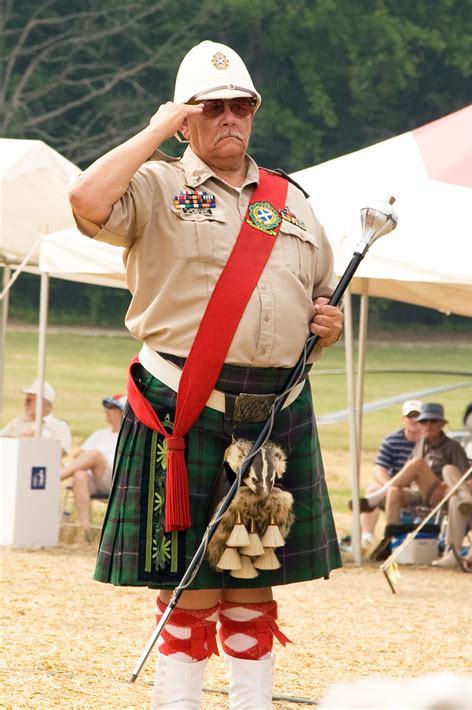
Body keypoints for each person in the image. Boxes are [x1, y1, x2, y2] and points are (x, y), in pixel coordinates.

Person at [69, 39, 343, 708]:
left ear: (254, 111)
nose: (229, 118)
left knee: (252, 590)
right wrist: (159, 127)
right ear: (188, 117)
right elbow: (84, 199)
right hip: (185, 409)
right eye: (211, 107)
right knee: (189, 595)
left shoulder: (292, 200)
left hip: (274, 418)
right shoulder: (155, 184)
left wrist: (329, 327)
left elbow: (320, 300)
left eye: (240, 106)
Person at [351, 403, 470, 553]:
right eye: (423, 421)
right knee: (395, 491)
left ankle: (378, 496)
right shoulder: (421, 443)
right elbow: (379, 467)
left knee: (418, 464)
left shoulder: (453, 447)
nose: (428, 425)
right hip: (418, 491)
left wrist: (445, 485)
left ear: (442, 424)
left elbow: (465, 478)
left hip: (440, 493)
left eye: (433, 421)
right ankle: (392, 542)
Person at [60, 395, 125, 541]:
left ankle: (57, 477)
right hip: (95, 479)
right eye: (106, 408)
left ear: (123, 412)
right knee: (79, 475)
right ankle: (86, 531)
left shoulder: (127, 436)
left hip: (116, 480)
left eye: (112, 408)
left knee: (95, 454)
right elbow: (81, 456)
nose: (107, 411)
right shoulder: (99, 434)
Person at [358, 400, 422, 547]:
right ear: (403, 419)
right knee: (372, 490)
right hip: (393, 487)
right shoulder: (392, 440)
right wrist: (388, 484)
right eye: (410, 416)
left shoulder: (428, 441)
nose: (413, 420)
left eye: (417, 416)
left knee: (387, 492)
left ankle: (392, 540)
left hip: (417, 491)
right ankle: (366, 539)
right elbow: (379, 467)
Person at [0, 379, 71, 456]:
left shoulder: (59, 426)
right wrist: (18, 439)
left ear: (44, 403)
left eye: (29, 400)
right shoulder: (18, 421)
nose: (25, 404)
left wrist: (34, 441)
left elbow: (60, 454)